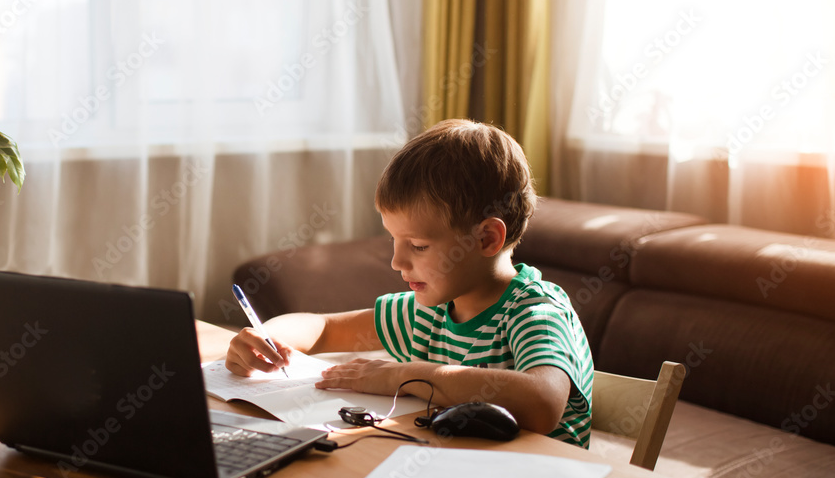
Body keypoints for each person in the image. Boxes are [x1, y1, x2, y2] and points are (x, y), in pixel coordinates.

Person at [224, 119, 593, 447]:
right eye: (394, 240)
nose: (396, 262)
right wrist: (267, 339)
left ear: (486, 239)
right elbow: (323, 329)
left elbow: (543, 403)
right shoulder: (427, 311)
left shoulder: (535, 311)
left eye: (418, 246)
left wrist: (404, 376)